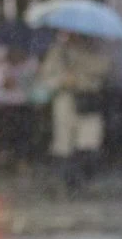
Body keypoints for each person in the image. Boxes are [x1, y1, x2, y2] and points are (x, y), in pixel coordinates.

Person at [37, 32, 112, 191]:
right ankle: (69, 181)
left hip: (88, 100)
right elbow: (47, 77)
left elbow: (105, 68)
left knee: (89, 142)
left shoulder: (94, 51)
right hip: (65, 100)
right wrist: (63, 79)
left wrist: (81, 69)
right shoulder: (58, 52)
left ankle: (83, 177)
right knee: (64, 143)